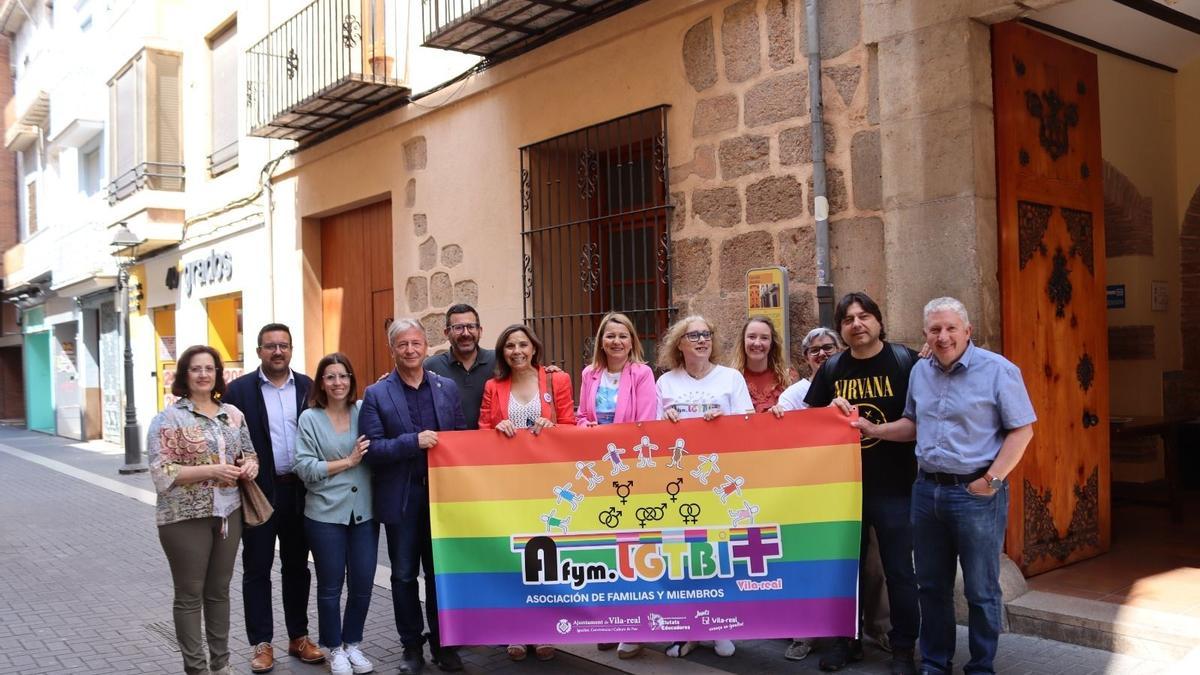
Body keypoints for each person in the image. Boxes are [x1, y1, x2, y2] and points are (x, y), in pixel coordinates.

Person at [842, 297, 1035, 675]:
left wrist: (991, 480)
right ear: (925, 334)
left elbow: (1022, 429)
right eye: (935, 329)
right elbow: (914, 422)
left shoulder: (998, 370)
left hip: (976, 494)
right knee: (930, 587)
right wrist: (874, 429)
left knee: (980, 590)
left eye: (950, 328)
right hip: (927, 492)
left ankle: (981, 665)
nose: (943, 336)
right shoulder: (921, 371)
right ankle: (934, 662)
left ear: (967, 331)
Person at [803, 292, 919, 675]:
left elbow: (924, 419)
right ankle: (845, 643)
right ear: (841, 329)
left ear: (879, 321)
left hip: (896, 486)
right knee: (844, 568)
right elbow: (811, 421)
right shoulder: (833, 368)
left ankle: (903, 648)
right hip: (845, 488)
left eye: (864, 316)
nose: (857, 324)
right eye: (848, 319)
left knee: (899, 570)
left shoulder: (907, 362)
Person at [361, 318, 467, 674]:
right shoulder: (376, 394)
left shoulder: (446, 387)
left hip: (442, 500)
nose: (410, 350)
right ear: (392, 349)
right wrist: (412, 441)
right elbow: (372, 449)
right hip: (402, 499)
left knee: (441, 575)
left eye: (416, 344)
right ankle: (411, 646)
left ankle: (444, 644)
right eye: (402, 344)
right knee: (404, 576)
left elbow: (462, 439)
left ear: (426, 346)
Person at [148, 346, 259, 675]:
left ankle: (221, 665)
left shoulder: (233, 414)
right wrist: (212, 471)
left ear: (217, 374)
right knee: (189, 593)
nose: (203, 374)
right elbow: (161, 473)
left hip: (229, 513)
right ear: (184, 375)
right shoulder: (168, 418)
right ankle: (196, 669)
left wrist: (250, 467)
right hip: (184, 517)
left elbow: (250, 454)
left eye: (209, 368)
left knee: (219, 591)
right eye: (195, 369)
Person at [223, 324, 323, 673]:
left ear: (292, 349)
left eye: (283, 346)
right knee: (257, 568)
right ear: (258, 351)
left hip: (300, 490)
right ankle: (262, 643)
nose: (277, 352)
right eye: (270, 347)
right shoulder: (237, 391)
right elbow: (227, 441)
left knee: (298, 567)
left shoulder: (310, 387)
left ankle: (299, 637)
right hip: (259, 493)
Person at [655, 315, 752, 659]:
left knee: (717, 555)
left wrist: (723, 424)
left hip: (720, 483)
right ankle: (687, 629)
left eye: (706, 334)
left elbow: (747, 426)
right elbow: (651, 436)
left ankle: (719, 626)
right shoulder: (666, 382)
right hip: (678, 485)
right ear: (679, 344)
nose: (701, 340)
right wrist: (664, 423)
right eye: (692, 335)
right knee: (681, 558)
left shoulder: (731, 378)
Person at [478, 323, 575, 661]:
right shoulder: (493, 386)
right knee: (515, 556)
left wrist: (554, 427)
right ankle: (516, 630)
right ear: (502, 352)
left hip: (548, 483)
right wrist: (496, 428)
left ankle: (545, 629)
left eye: (522, 345)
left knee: (546, 556)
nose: (516, 351)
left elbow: (571, 425)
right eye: (509, 346)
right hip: (509, 485)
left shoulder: (556, 380)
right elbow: (482, 431)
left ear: (534, 348)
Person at [577, 312, 659, 660]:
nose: (616, 342)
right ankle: (609, 623)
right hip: (600, 470)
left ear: (632, 341)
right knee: (606, 549)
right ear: (601, 341)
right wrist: (588, 429)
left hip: (631, 470)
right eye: (610, 336)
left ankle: (635, 628)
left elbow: (646, 421)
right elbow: (580, 415)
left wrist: (611, 438)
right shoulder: (589, 374)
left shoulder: (642, 373)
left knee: (633, 548)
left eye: (622, 336)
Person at [293, 353, 377, 675]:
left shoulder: (363, 411)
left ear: (352, 380)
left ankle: (353, 643)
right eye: (330, 377)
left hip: (364, 514)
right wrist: (348, 462)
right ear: (321, 383)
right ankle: (335, 648)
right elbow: (304, 467)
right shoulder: (310, 419)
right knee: (330, 586)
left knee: (363, 583)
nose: (338, 383)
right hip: (325, 515)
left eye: (343, 376)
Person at [425, 304, 496, 430]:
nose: (465, 333)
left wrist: (543, 373)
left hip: (492, 443)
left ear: (480, 330)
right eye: (458, 328)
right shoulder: (431, 366)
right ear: (446, 333)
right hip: (451, 445)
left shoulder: (497, 361)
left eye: (471, 327)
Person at [731, 315, 794, 413]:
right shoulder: (731, 379)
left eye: (764, 338)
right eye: (752, 337)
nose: (757, 343)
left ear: (772, 343)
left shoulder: (787, 379)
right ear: (743, 340)